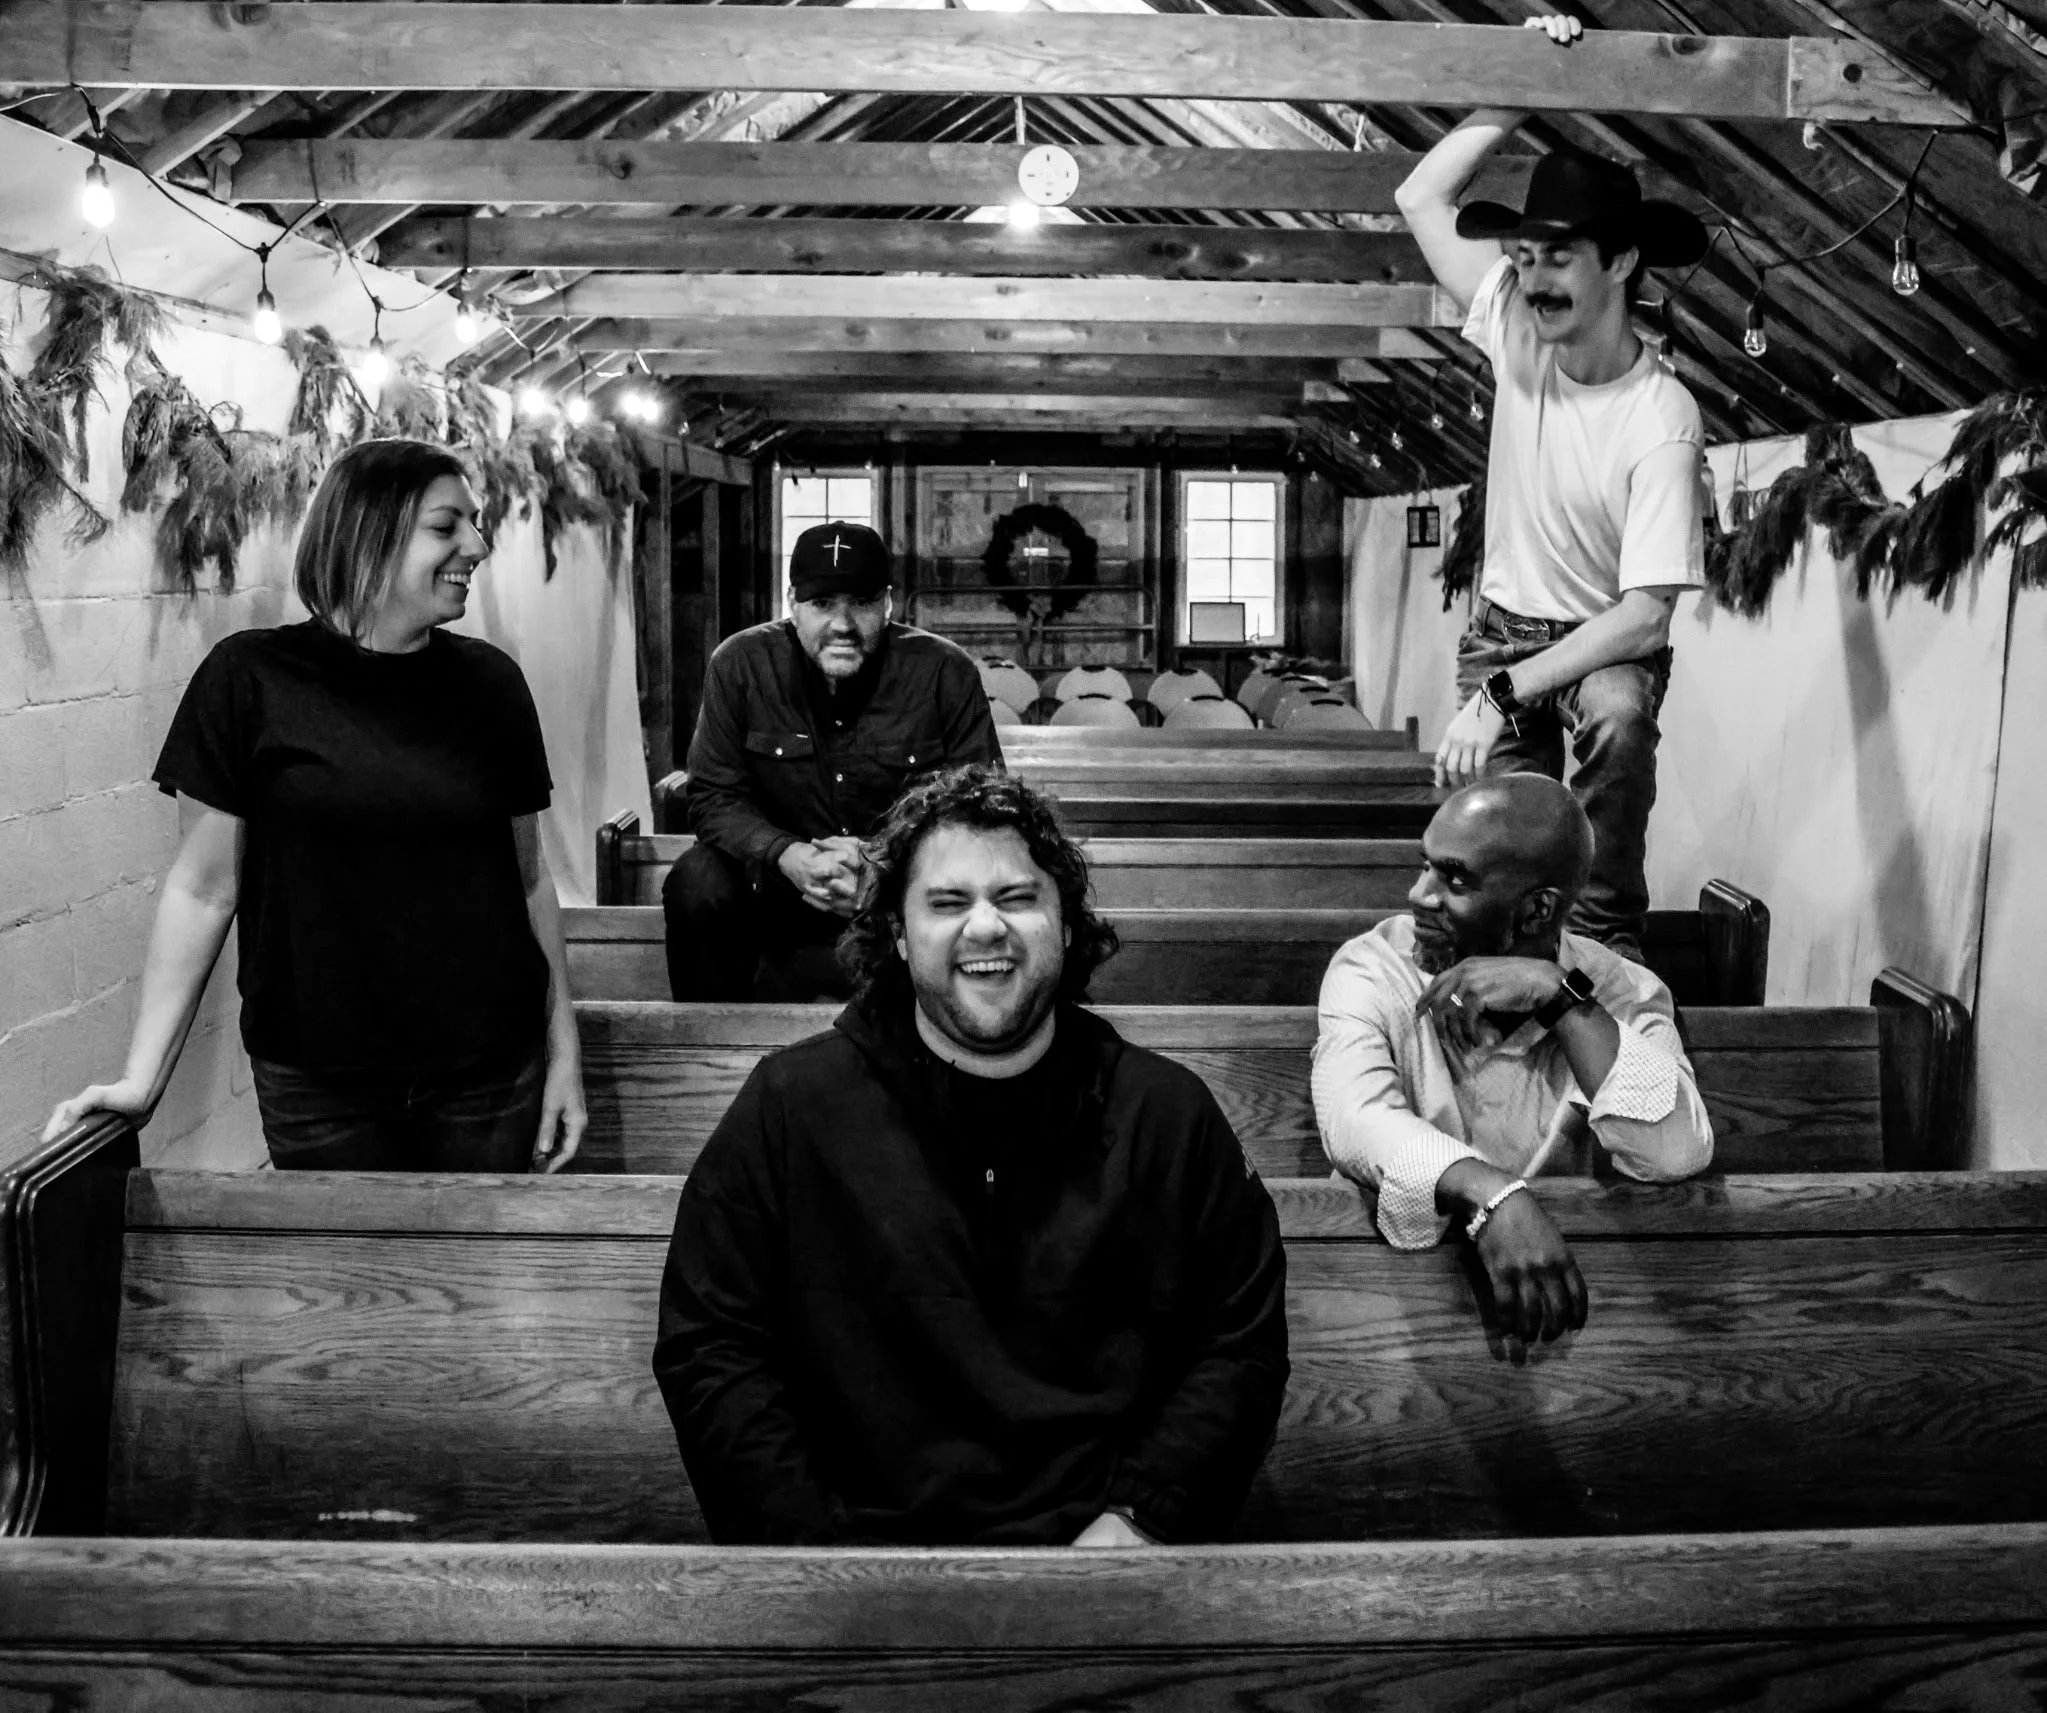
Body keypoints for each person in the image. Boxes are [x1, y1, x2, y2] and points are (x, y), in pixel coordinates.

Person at [653, 765, 1289, 1545]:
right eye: (946, 902)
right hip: (848, 1564)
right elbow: (711, 1345)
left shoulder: (1165, 1113)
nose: (985, 927)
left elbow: (1236, 1343)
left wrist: (1141, 1517)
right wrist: (812, 1550)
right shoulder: (790, 1106)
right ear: (896, 929)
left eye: (1016, 898)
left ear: (1064, 922)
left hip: (1108, 1562)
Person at [42, 438, 586, 1173]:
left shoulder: (491, 686)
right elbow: (203, 890)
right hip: (318, 1083)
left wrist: (564, 1056)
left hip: (488, 1074)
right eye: (447, 525)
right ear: (367, 530)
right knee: (333, 1286)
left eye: (477, 522)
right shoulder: (249, 679)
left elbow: (528, 880)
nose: (479, 545)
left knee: (475, 1288)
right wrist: (143, 1079)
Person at [1395, 17, 1713, 962]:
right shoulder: (1512, 325)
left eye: (1558, 256)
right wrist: (1522, 81)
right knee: (1488, 847)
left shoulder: (1661, 415)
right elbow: (1419, 194)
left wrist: (1501, 690)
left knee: (1616, 714)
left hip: (1596, 636)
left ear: (1619, 262)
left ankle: (1609, 953)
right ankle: (1482, 986)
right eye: (1523, 255)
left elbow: (1646, 617)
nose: (1530, 278)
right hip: (1503, 621)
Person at [1311, 775, 1712, 1352]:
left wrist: (1560, 998)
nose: (1419, 895)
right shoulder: (1375, 967)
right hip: (1385, 1314)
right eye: (1424, 866)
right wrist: (1493, 1197)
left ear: (1537, 910)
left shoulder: (1624, 992)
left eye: (1453, 879)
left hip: (1579, 1322)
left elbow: (1676, 1149)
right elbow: (1354, 1117)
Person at [663, 520, 1001, 1001]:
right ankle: (708, 1049)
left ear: (888, 603)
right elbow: (714, 797)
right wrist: (787, 854)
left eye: (861, 604)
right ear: (792, 603)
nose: (842, 625)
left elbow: (981, 805)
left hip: (901, 897)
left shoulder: (945, 673)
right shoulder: (740, 665)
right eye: (822, 604)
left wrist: (886, 864)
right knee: (696, 881)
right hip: (776, 889)